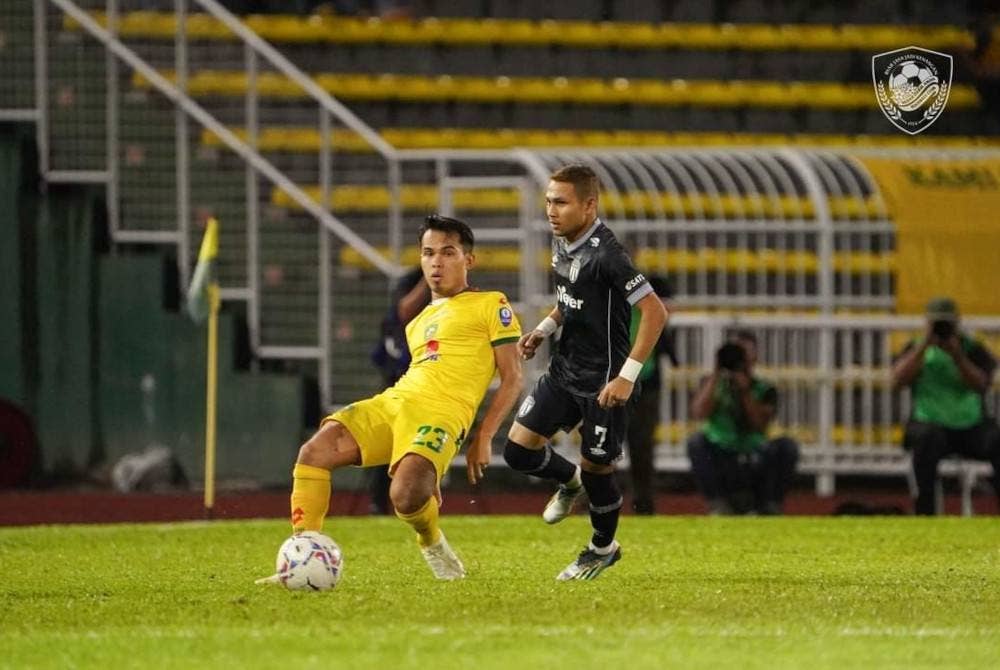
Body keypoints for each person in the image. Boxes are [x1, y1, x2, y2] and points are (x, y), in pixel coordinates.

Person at [283, 214, 523, 580]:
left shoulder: (492, 304)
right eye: (428, 253)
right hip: (396, 401)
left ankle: (431, 539)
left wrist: (485, 435)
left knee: (406, 495)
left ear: (468, 260)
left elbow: (512, 377)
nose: (437, 262)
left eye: (448, 252)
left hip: (442, 414)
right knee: (314, 452)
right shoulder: (417, 322)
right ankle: (303, 557)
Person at [503, 164, 668, 581]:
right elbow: (570, 299)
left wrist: (627, 376)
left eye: (561, 202)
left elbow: (655, 312)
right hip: (564, 371)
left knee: (599, 469)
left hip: (603, 382)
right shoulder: (564, 242)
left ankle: (601, 548)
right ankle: (568, 482)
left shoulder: (609, 255)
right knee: (518, 451)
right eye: (548, 202)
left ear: (589, 205)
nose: (551, 211)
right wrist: (543, 329)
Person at [891, 296, 1000, 515]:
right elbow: (897, 380)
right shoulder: (915, 348)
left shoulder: (973, 349)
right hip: (929, 423)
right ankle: (926, 514)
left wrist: (958, 356)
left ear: (957, 322)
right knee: (926, 441)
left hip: (970, 425)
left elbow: (981, 385)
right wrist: (924, 346)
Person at [686, 330, 799, 515]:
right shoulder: (711, 384)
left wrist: (745, 391)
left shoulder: (765, 388)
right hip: (722, 454)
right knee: (696, 443)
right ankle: (718, 505)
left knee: (787, 446)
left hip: (755, 453)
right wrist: (716, 373)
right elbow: (699, 412)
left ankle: (770, 505)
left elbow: (759, 424)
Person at [367, 266, 431, 515]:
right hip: (396, 387)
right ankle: (379, 503)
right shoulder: (396, 316)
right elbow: (403, 310)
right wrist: (427, 279)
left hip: (431, 390)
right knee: (385, 443)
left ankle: (420, 503)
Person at [625, 275, 677, 515]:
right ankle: (598, 501)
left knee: (642, 448)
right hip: (615, 385)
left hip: (645, 387)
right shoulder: (621, 310)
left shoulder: (647, 310)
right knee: (601, 447)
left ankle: (643, 503)